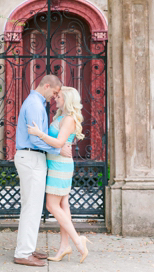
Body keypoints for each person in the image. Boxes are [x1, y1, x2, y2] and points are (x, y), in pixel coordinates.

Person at [13, 74, 72, 267]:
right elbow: (36, 139)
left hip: (33, 158)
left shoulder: (36, 103)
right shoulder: (35, 105)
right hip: (30, 157)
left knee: (33, 207)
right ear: (46, 86)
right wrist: (58, 149)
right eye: (54, 92)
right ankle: (23, 253)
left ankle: (27, 249)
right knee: (31, 207)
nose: (54, 97)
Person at [28, 86, 91, 263]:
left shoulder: (69, 119)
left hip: (60, 166)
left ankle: (78, 242)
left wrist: (39, 133)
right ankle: (64, 246)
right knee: (63, 205)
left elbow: (59, 142)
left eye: (59, 96)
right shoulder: (61, 117)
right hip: (56, 162)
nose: (56, 98)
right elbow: (60, 143)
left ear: (68, 100)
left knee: (51, 205)